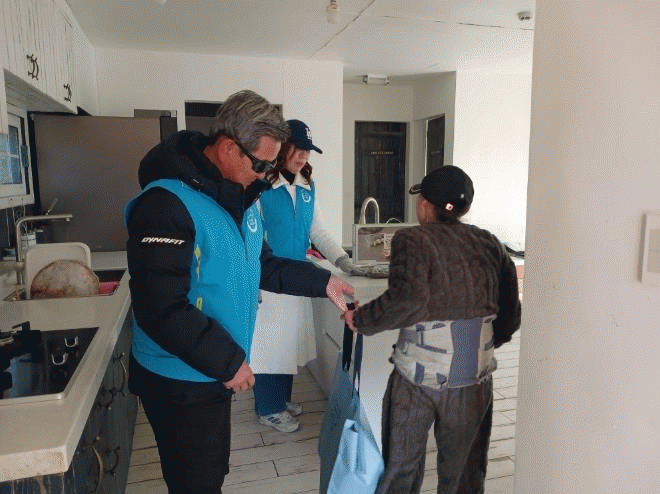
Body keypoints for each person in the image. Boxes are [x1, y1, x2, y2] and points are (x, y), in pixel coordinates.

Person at [124, 90, 354, 494]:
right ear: (229, 148)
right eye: (261, 164)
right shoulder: (165, 205)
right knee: (195, 482)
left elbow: (265, 264)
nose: (266, 175)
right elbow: (160, 308)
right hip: (178, 378)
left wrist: (323, 281)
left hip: (212, 369)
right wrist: (229, 362)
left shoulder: (240, 198)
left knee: (211, 470)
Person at [343, 165, 521, 494]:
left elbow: (406, 301)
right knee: (465, 476)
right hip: (472, 381)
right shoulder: (490, 244)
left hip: (416, 379)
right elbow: (510, 317)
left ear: (425, 205)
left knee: (401, 469)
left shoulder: (413, 239)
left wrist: (361, 319)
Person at [250, 119, 366, 432]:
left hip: (298, 277)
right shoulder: (261, 186)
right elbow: (252, 235)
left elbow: (318, 231)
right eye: (298, 149)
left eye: (307, 151)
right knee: (269, 345)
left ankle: (281, 399)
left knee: (289, 342)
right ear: (282, 148)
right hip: (270, 278)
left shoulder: (306, 186)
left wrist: (343, 260)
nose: (303, 156)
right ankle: (268, 408)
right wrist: (252, 279)